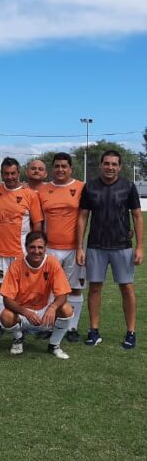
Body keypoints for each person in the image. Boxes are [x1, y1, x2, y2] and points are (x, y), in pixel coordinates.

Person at [77, 150, 143, 349]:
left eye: (114, 164)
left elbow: (137, 216)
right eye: (107, 163)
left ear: (120, 167)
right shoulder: (90, 187)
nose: (110, 167)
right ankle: (94, 331)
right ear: (101, 165)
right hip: (96, 246)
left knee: (127, 288)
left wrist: (140, 247)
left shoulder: (128, 187)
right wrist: (79, 247)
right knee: (95, 288)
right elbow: (83, 217)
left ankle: (131, 332)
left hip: (122, 246)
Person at [0, 157, 44, 337]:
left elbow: (37, 223)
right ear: (1, 174)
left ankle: (23, 322)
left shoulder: (30, 194)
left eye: (13, 173)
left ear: (19, 173)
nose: (10, 177)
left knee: (23, 289)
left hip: (21, 250)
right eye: (6, 173)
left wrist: (34, 248)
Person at [0, 231, 73, 359]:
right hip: (23, 314)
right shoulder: (16, 265)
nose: (36, 251)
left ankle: (54, 345)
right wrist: (26, 312)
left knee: (66, 309)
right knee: (6, 316)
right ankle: (18, 339)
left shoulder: (52, 263)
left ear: (45, 248)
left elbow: (63, 294)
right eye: (32, 247)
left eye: (40, 247)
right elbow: (7, 299)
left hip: (45, 313)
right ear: (26, 247)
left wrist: (52, 308)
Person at [38, 153, 85, 342]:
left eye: (64, 166)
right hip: (50, 248)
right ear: (52, 168)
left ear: (71, 168)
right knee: (49, 289)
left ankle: (72, 327)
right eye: (57, 166)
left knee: (74, 288)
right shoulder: (43, 190)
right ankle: (48, 325)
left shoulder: (81, 187)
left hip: (74, 248)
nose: (60, 169)